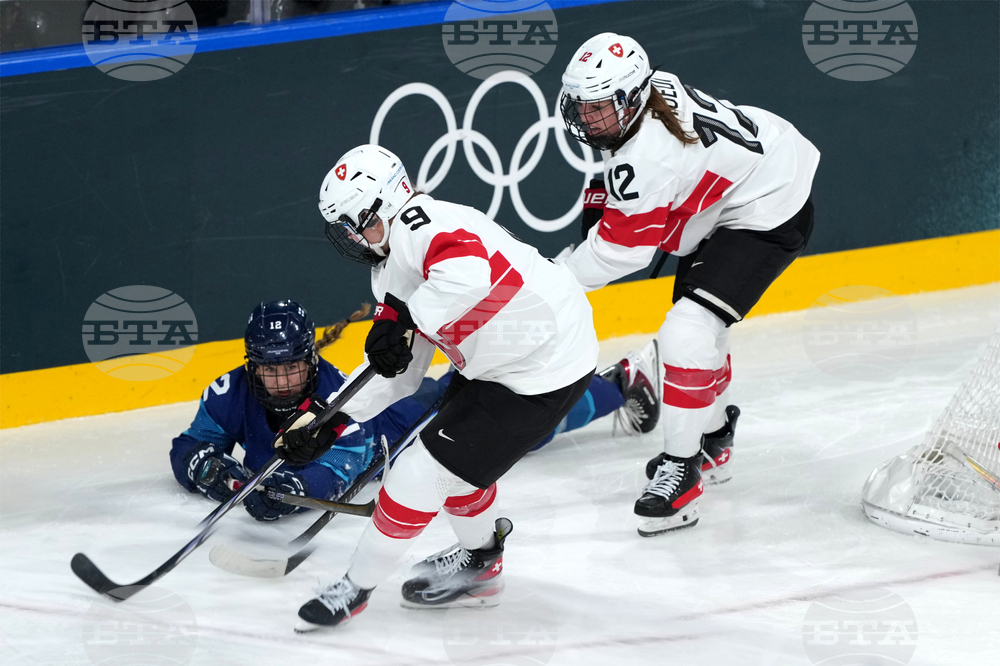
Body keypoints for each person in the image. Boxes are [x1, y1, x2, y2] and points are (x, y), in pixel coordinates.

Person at [280, 144, 601, 631]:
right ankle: (482, 562)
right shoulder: (391, 267)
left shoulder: (422, 224)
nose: (355, 238)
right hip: (502, 364)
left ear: (389, 203)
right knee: (452, 472)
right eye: (346, 229)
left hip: (543, 367)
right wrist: (331, 418)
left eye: (360, 222)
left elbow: (468, 276)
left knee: (416, 475)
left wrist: (406, 318)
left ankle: (354, 588)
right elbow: (401, 373)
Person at [558, 33, 819, 537]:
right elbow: (636, 176)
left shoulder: (647, 156)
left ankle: (682, 472)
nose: (587, 119)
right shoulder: (652, 93)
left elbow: (622, 252)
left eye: (599, 108)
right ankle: (715, 437)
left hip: (768, 203)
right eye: (581, 106)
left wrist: (552, 282)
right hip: (732, 193)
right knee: (701, 334)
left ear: (631, 99)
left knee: (686, 332)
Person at [168, 300, 659, 523]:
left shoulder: (337, 395)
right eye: (269, 371)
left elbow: (344, 464)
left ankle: (618, 384)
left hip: (405, 422)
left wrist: (299, 490)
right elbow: (189, 445)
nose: (281, 381)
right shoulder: (230, 389)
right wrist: (213, 472)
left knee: (514, 427)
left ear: (311, 361)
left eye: (293, 368)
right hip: (397, 422)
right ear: (252, 367)